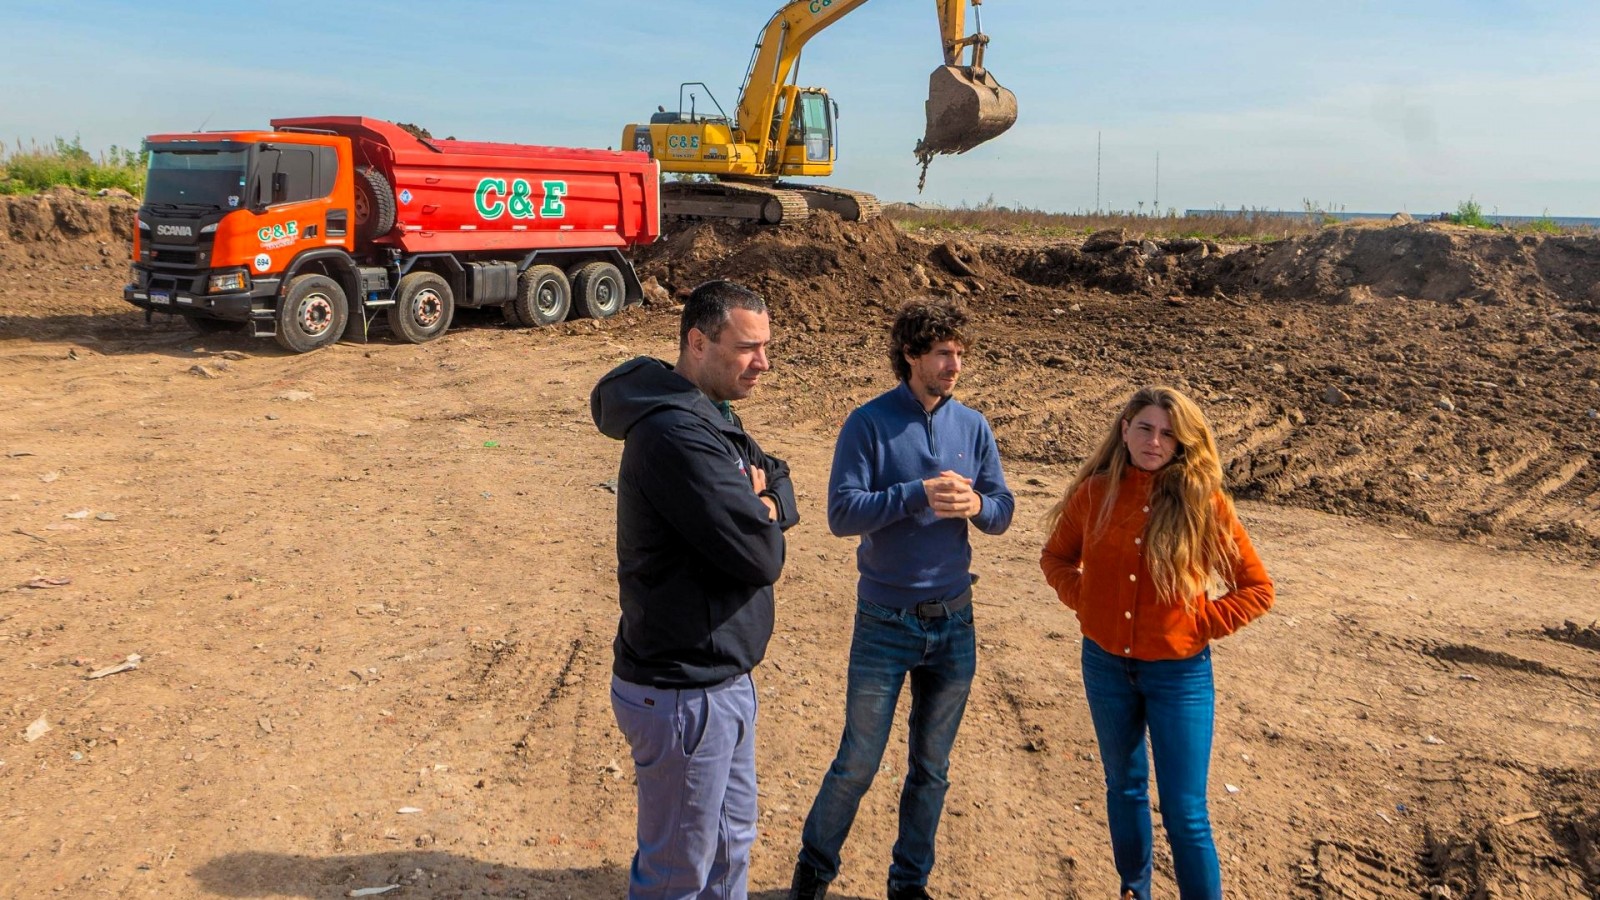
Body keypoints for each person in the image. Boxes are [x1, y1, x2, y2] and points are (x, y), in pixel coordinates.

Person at [789, 300, 1014, 900]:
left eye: (960, 354)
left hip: (954, 622)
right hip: (884, 622)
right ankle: (813, 872)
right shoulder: (868, 423)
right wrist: (915, 493)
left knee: (932, 770)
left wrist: (979, 509)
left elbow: (1003, 509)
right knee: (858, 761)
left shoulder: (974, 426)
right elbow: (841, 514)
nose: (954, 365)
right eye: (943, 353)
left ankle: (908, 885)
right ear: (911, 355)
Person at [590, 279, 799, 900]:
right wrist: (763, 508)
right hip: (683, 694)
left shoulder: (715, 415)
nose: (763, 363)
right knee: (677, 874)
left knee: (731, 849)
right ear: (698, 341)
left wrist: (764, 499)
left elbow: (781, 476)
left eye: (766, 347)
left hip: (721, 683)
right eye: (748, 348)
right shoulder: (678, 436)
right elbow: (762, 555)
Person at [1039, 386, 1274, 900]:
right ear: (1124, 430)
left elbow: (1257, 590)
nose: (1154, 440)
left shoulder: (1203, 505)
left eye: (1168, 433)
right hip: (1104, 667)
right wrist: (1086, 602)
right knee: (1123, 790)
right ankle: (1133, 890)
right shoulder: (1095, 494)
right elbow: (1055, 558)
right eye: (1144, 428)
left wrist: (1199, 624)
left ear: (1183, 442)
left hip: (1179, 676)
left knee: (1185, 812)